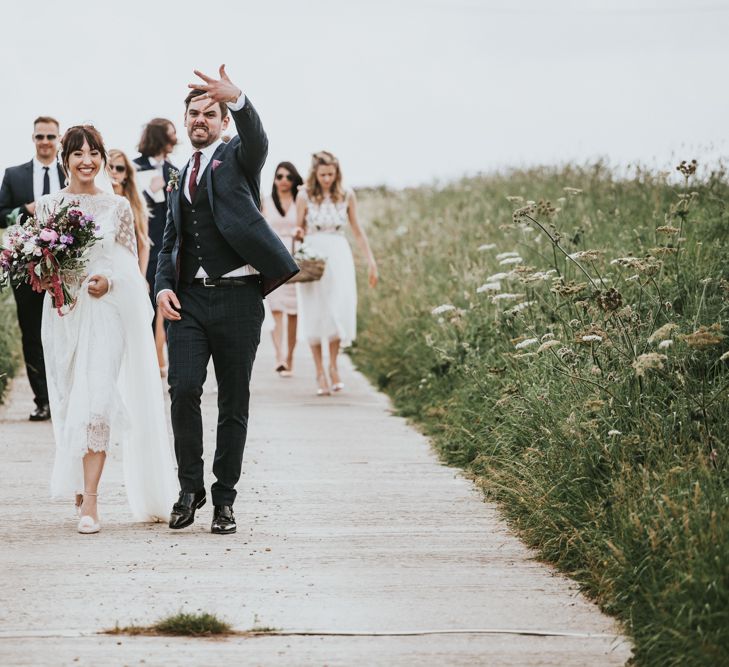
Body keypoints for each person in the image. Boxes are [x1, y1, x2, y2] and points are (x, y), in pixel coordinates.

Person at [155, 65, 298, 535]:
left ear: (222, 122)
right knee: (183, 390)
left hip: (238, 299)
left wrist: (238, 96)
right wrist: (162, 288)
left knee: (234, 402)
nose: (201, 119)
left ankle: (224, 499)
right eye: (194, 113)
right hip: (190, 302)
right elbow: (170, 242)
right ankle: (188, 488)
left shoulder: (238, 156)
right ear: (186, 121)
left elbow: (258, 137)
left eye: (209, 113)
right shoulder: (177, 176)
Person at [37, 125, 178, 534]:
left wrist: (109, 282)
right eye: (78, 153)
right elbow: (42, 268)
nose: (87, 160)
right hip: (64, 314)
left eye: (94, 153)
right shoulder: (47, 206)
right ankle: (79, 485)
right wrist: (50, 279)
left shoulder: (116, 206)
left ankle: (92, 502)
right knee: (67, 401)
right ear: (65, 159)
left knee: (97, 400)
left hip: (105, 312)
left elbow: (131, 269)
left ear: (101, 158)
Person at [295, 151, 378, 396]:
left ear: (337, 172)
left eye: (331, 174)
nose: (327, 179)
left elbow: (357, 229)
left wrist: (371, 260)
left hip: (339, 254)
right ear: (315, 174)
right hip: (313, 255)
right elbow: (297, 228)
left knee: (336, 309)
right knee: (315, 311)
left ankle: (333, 366)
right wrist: (298, 237)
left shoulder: (347, 194)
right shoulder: (304, 195)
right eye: (323, 174)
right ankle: (319, 370)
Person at [0, 116, 66, 421]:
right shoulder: (14, 175)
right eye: (40, 136)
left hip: (66, 268)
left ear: (58, 139)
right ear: (33, 138)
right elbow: (1, 214)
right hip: (25, 267)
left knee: (66, 331)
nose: (45, 142)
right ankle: (43, 400)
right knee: (32, 332)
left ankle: (64, 396)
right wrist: (22, 211)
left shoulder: (71, 172)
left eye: (50, 136)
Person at [133, 119, 178, 375]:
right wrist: (149, 192)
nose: (176, 139)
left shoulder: (174, 170)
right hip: (144, 247)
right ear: (161, 137)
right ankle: (149, 361)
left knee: (174, 305)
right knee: (147, 304)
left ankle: (176, 361)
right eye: (172, 134)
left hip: (170, 248)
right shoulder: (132, 166)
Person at [261, 162, 303, 376]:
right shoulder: (266, 202)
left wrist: (301, 234)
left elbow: (307, 226)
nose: (284, 180)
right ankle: (280, 356)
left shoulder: (300, 201)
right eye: (279, 176)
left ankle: (291, 356)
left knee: (293, 312)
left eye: (288, 177)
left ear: (294, 180)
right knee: (276, 309)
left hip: (296, 260)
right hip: (274, 259)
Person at [108, 149, 150, 276]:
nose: (114, 171)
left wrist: (141, 277)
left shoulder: (136, 203)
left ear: (126, 174)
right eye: (110, 167)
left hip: (127, 267)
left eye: (120, 168)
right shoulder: (97, 197)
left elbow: (143, 243)